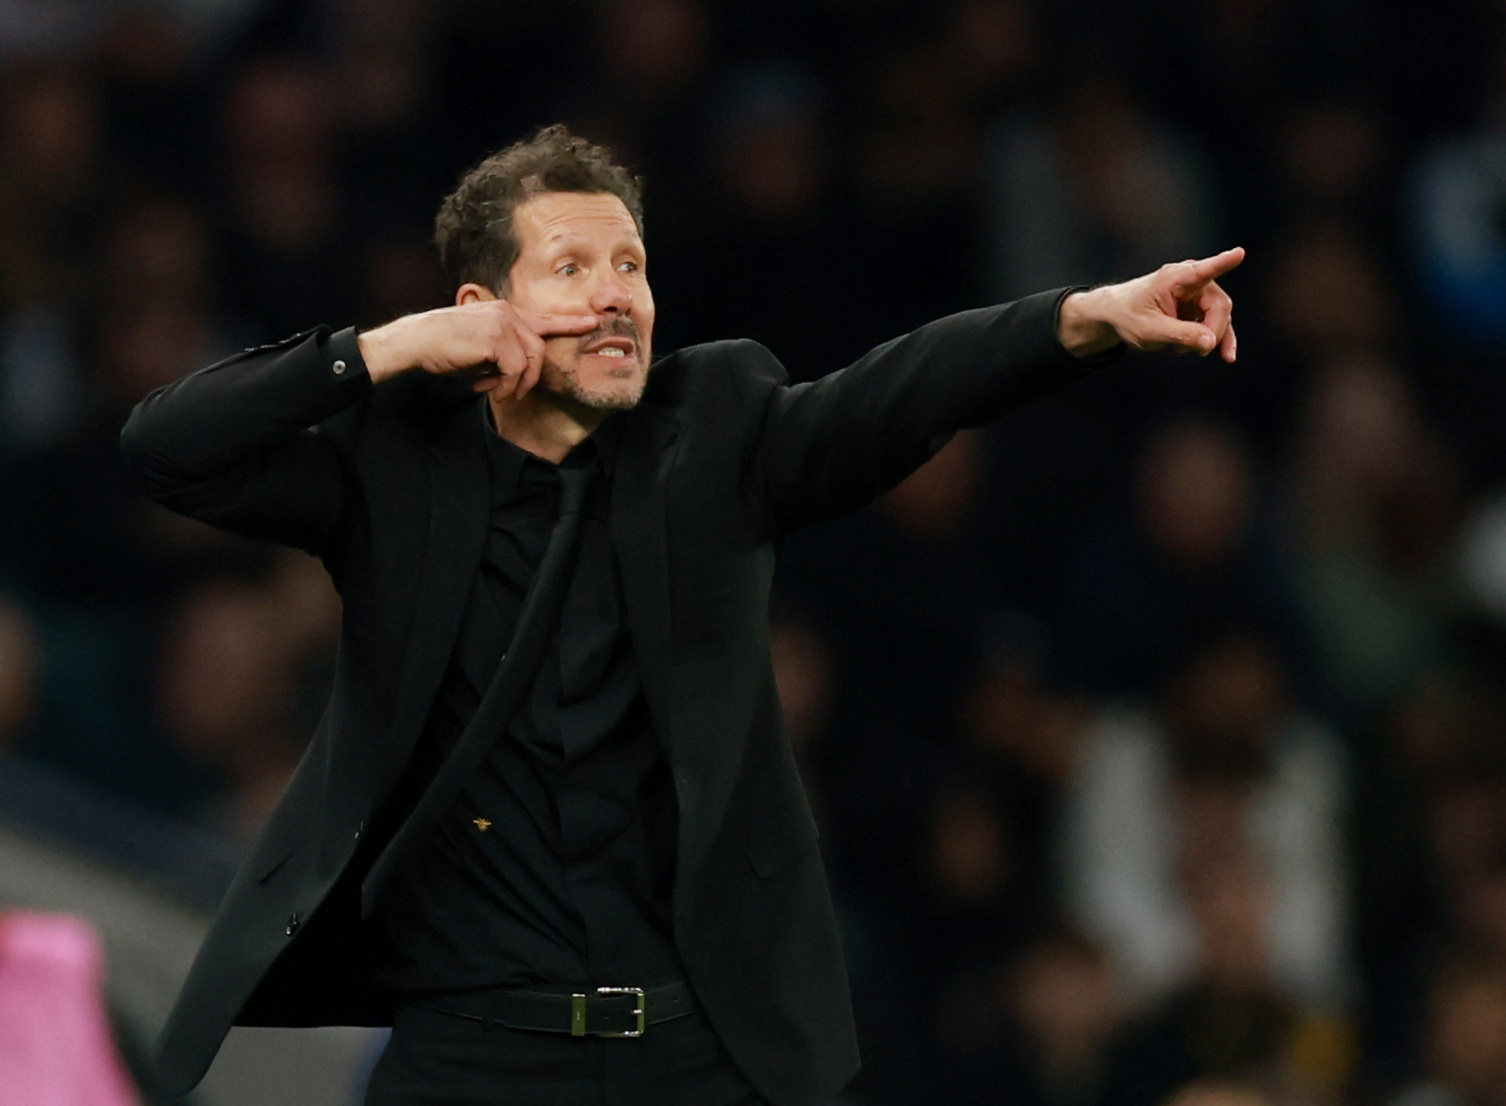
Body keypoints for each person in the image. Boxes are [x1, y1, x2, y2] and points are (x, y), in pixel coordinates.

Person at [121, 125, 1240, 1106]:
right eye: (573, 266)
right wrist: (378, 351)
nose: (618, 294)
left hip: (693, 1055)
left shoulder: (716, 429)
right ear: (482, 310)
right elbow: (168, 448)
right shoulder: (391, 468)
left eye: (632, 264)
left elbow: (902, 391)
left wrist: (1084, 319)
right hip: (469, 1059)